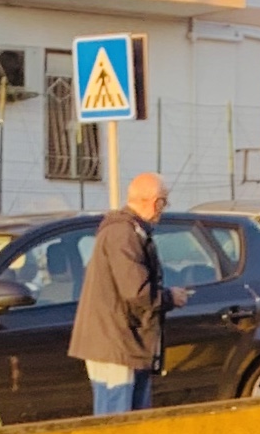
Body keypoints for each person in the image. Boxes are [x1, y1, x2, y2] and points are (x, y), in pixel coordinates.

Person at [69, 172, 186, 414]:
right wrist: (170, 298)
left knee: (119, 416)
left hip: (113, 341)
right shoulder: (125, 234)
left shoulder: (121, 231)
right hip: (116, 344)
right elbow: (137, 292)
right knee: (117, 420)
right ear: (154, 202)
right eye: (164, 201)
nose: (163, 209)